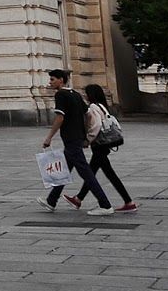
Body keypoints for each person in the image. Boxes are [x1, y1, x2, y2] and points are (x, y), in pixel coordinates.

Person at [40, 69, 114, 216]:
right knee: (65, 169)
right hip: (77, 138)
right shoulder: (75, 94)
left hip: (71, 139)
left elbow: (60, 118)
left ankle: (105, 205)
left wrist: (49, 137)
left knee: (86, 173)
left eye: (53, 79)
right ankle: (51, 200)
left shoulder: (61, 94)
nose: (50, 82)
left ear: (61, 79)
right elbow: (87, 115)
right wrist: (85, 134)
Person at [83, 83, 136, 213]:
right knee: (95, 172)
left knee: (98, 173)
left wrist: (87, 140)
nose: (85, 95)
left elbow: (95, 126)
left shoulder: (93, 107)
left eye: (86, 93)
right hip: (105, 144)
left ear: (91, 95)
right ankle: (78, 198)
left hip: (99, 144)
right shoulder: (102, 106)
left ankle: (128, 202)